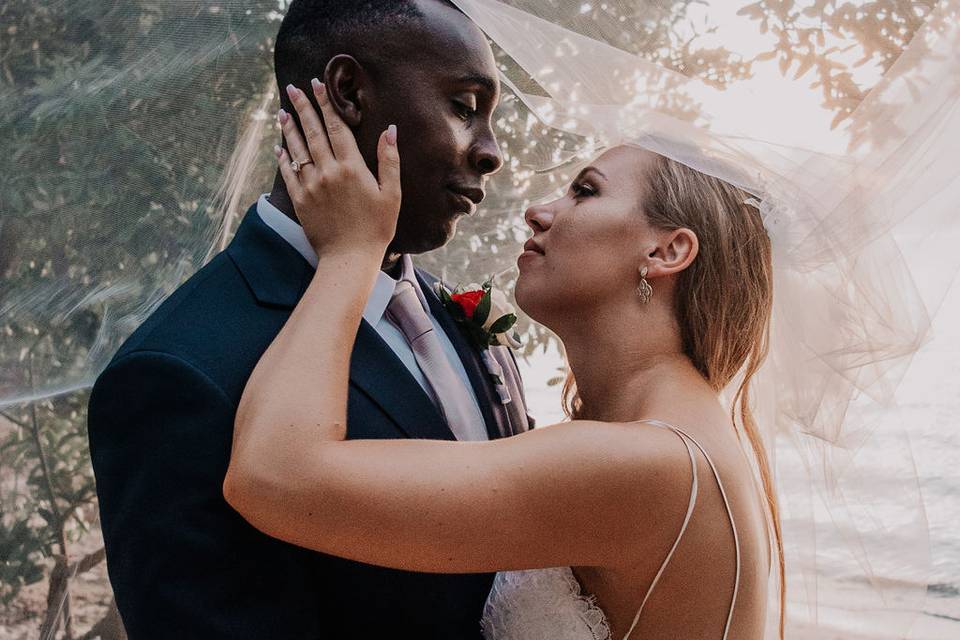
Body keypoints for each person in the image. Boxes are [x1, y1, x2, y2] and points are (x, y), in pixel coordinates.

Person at [224, 80, 781, 640]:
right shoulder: (674, 439)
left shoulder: (646, 464)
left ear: (667, 251)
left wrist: (350, 252)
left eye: (585, 191)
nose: (538, 212)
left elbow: (273, 476)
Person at [86, 1, 532, 637]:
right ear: (348, 92)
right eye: (464, 106)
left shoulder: (454, 315)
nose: (491, 154)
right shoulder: (177, 372)